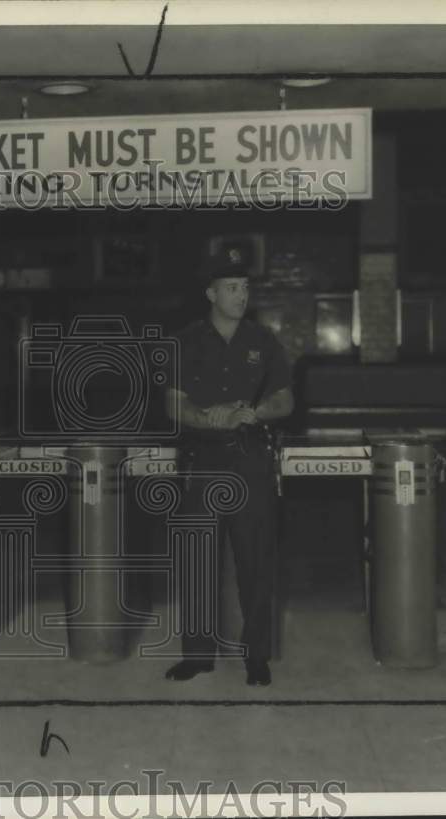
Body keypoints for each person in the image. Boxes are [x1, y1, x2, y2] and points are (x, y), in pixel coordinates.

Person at [164, 245, 293, 686]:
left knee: (256, 560)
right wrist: (209, 415)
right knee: (196, 558)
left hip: (250, 458)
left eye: (246, 288)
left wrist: (253, 413)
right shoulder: (184, 342)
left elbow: (284, 399)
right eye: (232, 287)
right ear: (211, 292)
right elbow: (175, 405)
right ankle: (197, 656)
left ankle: (257, 657)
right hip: (202, 462)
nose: (242, 295)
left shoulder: (264, 341)